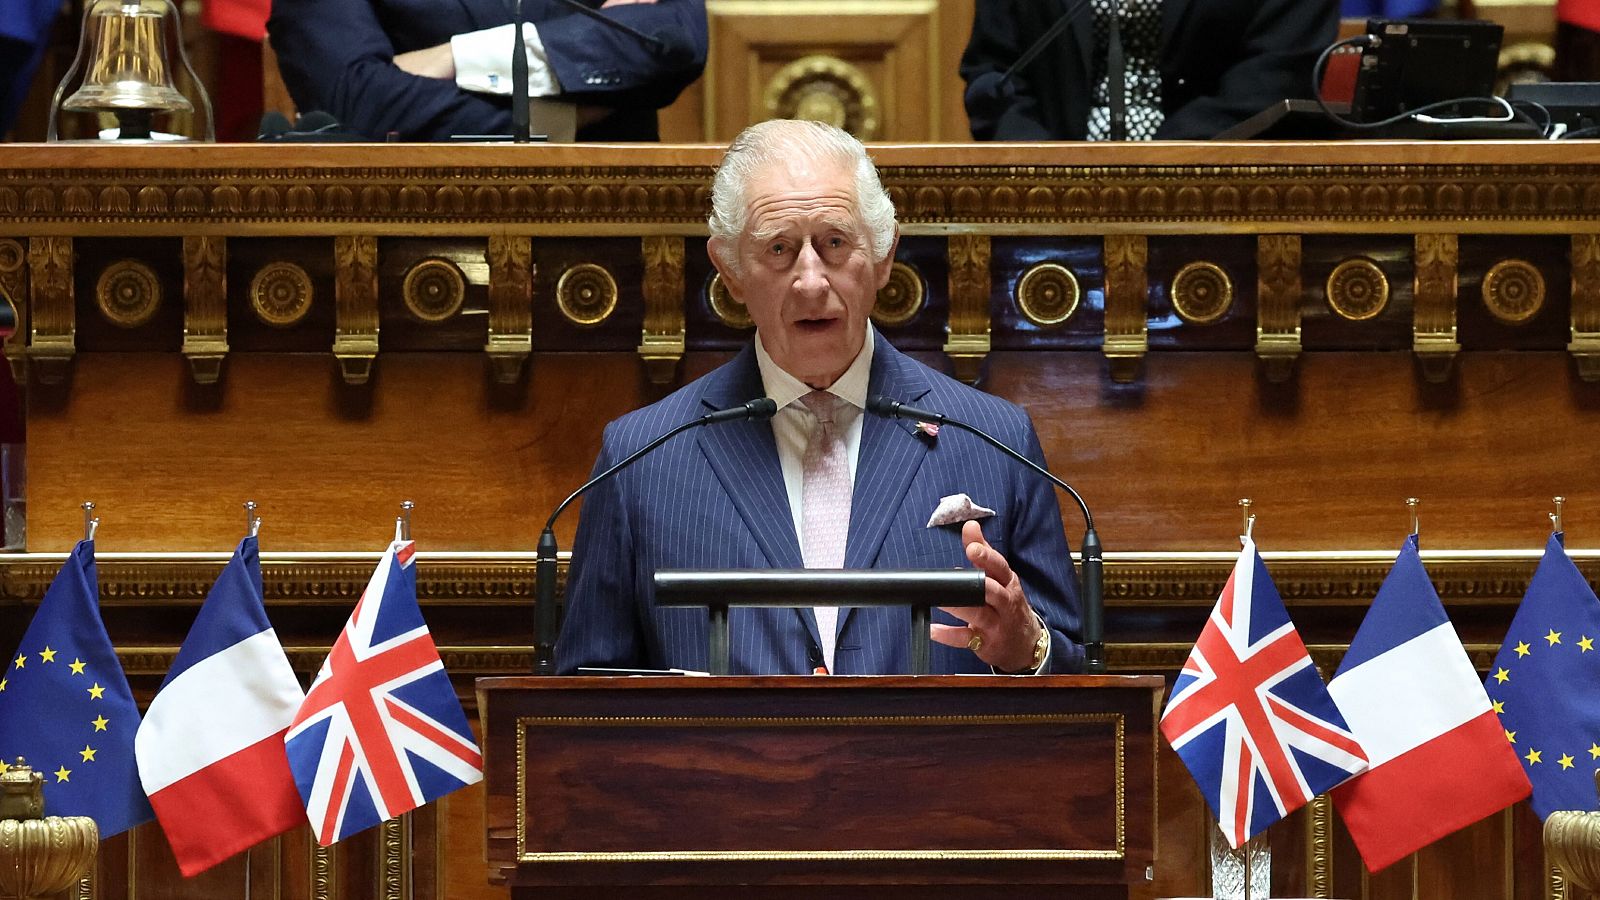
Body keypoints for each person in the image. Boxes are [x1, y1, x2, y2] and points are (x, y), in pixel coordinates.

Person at [555, 119, 1084, 676]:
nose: (811, 281)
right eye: (779, 249)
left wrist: (1027, 647)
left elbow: (1077, 675)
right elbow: (587, 697)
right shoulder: (643, 456)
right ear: (730, 270)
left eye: (834, 243)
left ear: (883, 256)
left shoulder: (996, 440)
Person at [267, 0, 706, 141]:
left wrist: (459, 57)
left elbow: (671, 36)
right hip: (409, 239)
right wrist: (561, 119)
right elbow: (353, 99)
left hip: (616, 225)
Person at [960, 0, 1339, 141]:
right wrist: (1042, 166)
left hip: (1222, 189)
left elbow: (1280, 69)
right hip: (1048, 201)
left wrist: (1157, 163)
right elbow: (994, 70)